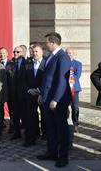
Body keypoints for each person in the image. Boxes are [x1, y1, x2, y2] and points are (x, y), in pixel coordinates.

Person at [37, 32, 71, 168]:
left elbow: (62, 81)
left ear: (53, 43)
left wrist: (55, 99)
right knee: (50, 128)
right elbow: (47, 78)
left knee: (61, 129)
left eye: (47, 42)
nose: (45, 45)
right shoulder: (51, 56)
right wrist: (41, 94)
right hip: (47, 98)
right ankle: (51, 152)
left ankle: (63, 157)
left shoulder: (62, 57)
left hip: (58, 101)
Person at [23, 44, 46, 147]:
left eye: (37, 51)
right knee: (30, 117)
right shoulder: (28, 63)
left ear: (42, 52)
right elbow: (24, 80)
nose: (35, 53)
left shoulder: (46, 63)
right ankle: (30, 139)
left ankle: (46, 136)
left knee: (45, 116)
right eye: (33, 51)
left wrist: (39, 90)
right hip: (30, 94)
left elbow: (47, 79)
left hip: (43, 94)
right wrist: (29, 89)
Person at [6, 45, 26, 139]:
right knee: (15, 114)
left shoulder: (27, 63)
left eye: (18, 52)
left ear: (22, 53)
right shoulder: (10, 64)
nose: (15, 54)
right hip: (13, 94)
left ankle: (28, 134)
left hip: (24, 94)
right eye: (14, 52)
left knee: (26, 115)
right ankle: (17, 133)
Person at [66, 48, 82, 133]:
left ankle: (75, 124)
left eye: (70, 53)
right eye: (67, 53)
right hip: (64, 89)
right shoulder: (63, 63)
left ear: (73, 54)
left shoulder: (78, 63)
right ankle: (65, 123)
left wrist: (68, 74)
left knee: (75, 107)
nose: (68, 55)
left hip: (74, 89)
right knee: (64, 106)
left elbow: (77, 75)